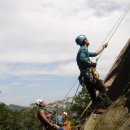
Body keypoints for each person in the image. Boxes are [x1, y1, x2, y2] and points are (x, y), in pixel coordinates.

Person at [75, 35, 108, 114]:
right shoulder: (83, 49)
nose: (88, 40)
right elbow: (83, 58)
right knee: (102, 88)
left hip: (85, 76)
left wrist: (103, 47)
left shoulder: (82, 50)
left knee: (92, 93)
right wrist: (91, 63)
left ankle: (98, 109)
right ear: (84, 41)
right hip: (89, 74)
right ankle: (99, 104)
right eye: (86, 39)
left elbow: (95, 53)